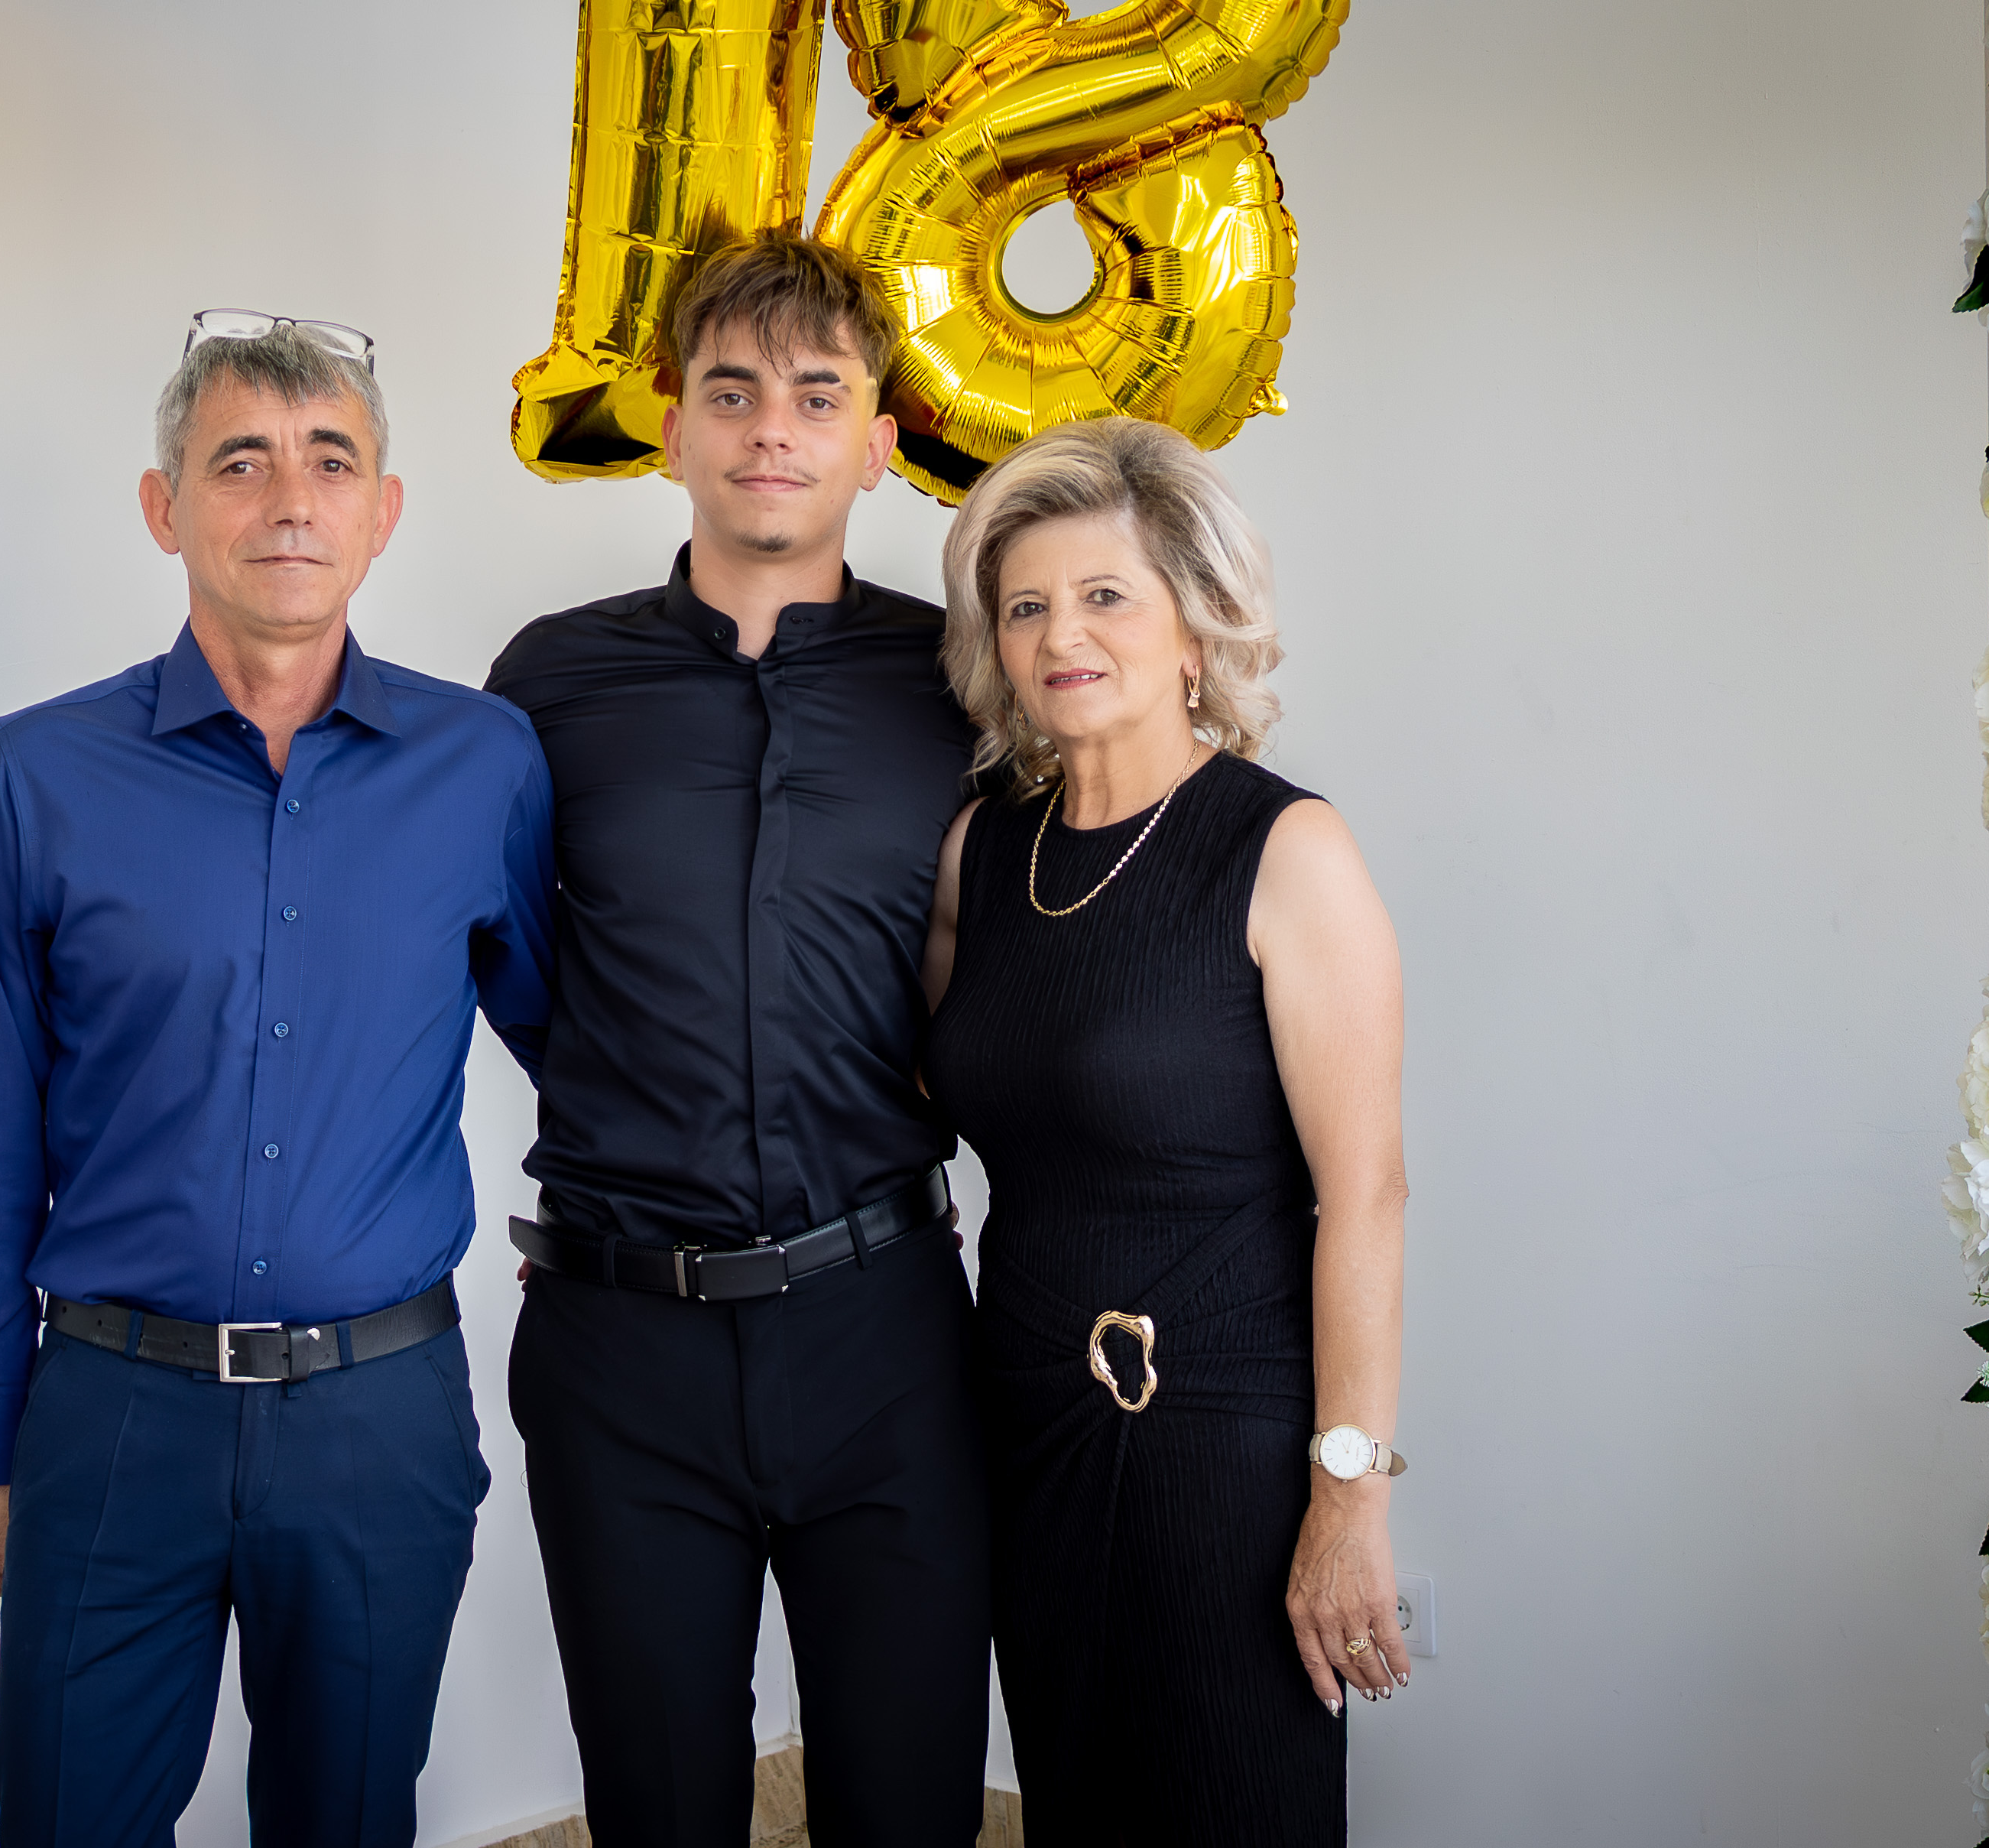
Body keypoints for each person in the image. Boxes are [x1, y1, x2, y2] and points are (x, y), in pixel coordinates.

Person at [0, 315, 555, 1848]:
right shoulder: (27, 778)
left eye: (330, 462)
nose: (289, 501)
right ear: (166, 506)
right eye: (240, 462)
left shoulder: (486, 765)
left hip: (379, 1419)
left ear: (382, 511)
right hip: (111, 1415)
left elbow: (587, 1053)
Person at [482, 230, 990, 1848]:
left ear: (878, 442)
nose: (773, 427)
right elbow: (517, 962)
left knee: (908, 1804)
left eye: (816, 395)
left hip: (887, 1332)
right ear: (672, 426)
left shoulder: (965, 680)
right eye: (732, 390)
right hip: (619, 1339)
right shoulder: (548, 681)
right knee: (656, 1807)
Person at [918, 417, 1410, 1846]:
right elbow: (919, 1090)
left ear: (1195, 624)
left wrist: (1346, 1496)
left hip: (1220, 1441)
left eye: (1103, 595)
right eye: (1024, 606)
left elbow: (1367, 1195)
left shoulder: (1285, 848)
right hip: (1025, 1426)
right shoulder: (982, 849)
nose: (1059, 634)